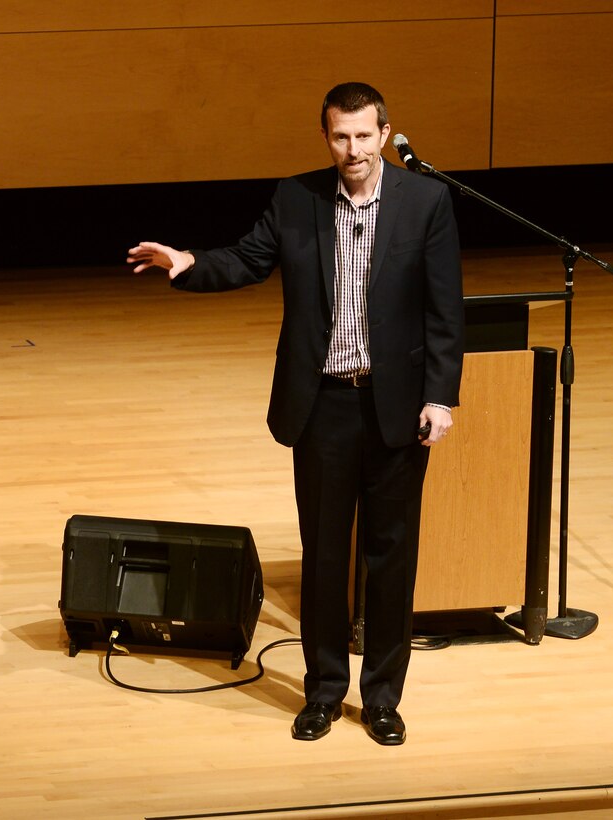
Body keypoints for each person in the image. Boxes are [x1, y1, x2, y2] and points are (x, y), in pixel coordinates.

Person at [127, 82, 464, 746]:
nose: (353, 149)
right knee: (325, 556)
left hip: (396, 408)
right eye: (341, 136)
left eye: (364, 136)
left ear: (387, 134)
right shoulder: (297, 197)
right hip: (325, 409)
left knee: (391, 557)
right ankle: (324, 692)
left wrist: (441, 395)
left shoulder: (426, 202)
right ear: (327, 138)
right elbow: (249, 260)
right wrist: (190, 263)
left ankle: (384, 699)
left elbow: (444, 309)